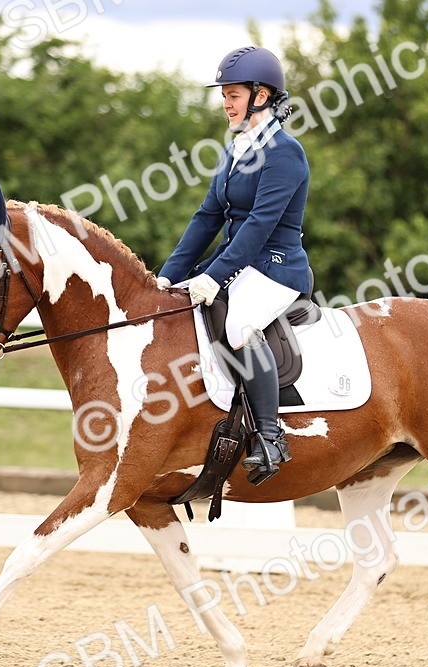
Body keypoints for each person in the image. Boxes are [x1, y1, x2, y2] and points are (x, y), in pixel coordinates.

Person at [156, 46, 312, 486]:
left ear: (262, 95)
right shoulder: (235, 150)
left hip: (276, 268)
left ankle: (269, 437)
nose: (226, 103)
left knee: (240, 326)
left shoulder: (286, 153)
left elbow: (259, 227)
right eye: (224, 94)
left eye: (234, 94)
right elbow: (207, 218)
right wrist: (169, 275)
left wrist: (212, 276)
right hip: (238, 262)